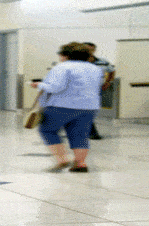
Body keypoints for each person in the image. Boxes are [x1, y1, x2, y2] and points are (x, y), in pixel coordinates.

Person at [30, 42, 102, 173]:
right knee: (80, 134)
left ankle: (62, 159)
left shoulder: (62, 67)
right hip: (89, 106)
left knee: (47, 130)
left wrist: (39, 85)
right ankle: (80, 163)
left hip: (62, 105)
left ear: (66, 55)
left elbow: (55, 87)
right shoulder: (95, 68)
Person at [83, 42, 115, 140]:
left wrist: (108, 82)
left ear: (94, 50)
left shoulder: (103, 61)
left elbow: (111, 71)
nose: (89, 51)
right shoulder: (76, 61)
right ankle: (92, 132)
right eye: (87, 49)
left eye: (91, 49)